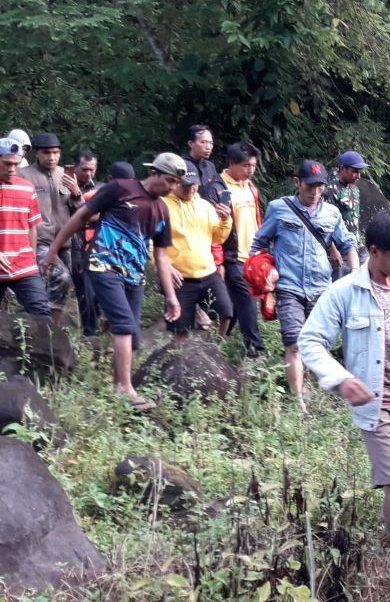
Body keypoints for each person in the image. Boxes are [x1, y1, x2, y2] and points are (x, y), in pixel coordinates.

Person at [299, 211, 390, 548]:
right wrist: (340, 379)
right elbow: (310, 340)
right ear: (374, 251)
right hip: (377, 404)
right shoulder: (345, 291)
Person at [43, 153, 184, 410]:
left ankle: (118, 385)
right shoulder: (121, 188)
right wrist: (54, 249)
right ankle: (125, 389)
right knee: (124, 325)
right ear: (154, 173)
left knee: (131, 332)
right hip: (103, 265)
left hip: (134, 274)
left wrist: (171, 297)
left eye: (176, 183)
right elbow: (81, 216)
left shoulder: (162, 209)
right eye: (169, 181)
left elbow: (161, 256)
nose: (173, 187)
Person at [251, 159, 358, 410]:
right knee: (294, 342)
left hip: (321, 288)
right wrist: (266, 269)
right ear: (297, 183)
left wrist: (355, 271)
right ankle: (299, 402)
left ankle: (311, 385)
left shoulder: (331, 213)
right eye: (310, 186)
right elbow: (259, 244)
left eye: (320, 186)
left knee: (318, 343)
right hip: (289, 287)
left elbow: (347, 243)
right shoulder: (279, 209)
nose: (315, 192)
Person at [162, 168, 234, 340]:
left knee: (226, 313)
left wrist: (225, 220)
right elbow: (151, 243)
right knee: (180, 327)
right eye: (186, 185)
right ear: (176, 183)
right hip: (180, 277)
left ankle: (213, 348)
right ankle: (182, 359)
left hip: (207, 272)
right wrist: (166, 268)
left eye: (194, 185)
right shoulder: (163, 205)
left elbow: (218, 237)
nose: (191, 189)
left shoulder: (204, 206)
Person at [216, 141, 265, 356]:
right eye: (246, 165)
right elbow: (213, 227)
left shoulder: (250, 186)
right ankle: (255, 349)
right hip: (232, 255)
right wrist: (217, 260)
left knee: (238, 304)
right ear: (232, 163)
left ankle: (219, 340)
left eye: (253, 165)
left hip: (252, 253)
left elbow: (256, 218)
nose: (250, 170)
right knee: (247, 300)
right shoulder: (219, 187)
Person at [19, 133, 74, 322]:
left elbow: (81, 210)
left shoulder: (65, 174)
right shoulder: (24, 176)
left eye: (56, 152)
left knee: (66, 285)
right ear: (36, 154)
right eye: (46, 153)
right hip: (40, 240)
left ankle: (51, 329)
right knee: (62, 277)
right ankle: (44, 326)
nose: (52, 157)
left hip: (66, 241)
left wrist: (76, 193)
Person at [0, 137, 52, 317]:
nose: (12, 169)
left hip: (23, 264)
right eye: (7, 164)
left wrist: (31, 255)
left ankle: (47, 346)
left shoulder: (28, 188)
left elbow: (32, 227)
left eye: (16, 164)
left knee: (42, 314)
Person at [66, 151, 102, 336]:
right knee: (84, 288)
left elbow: (100, 215)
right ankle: (89, 332)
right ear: (75, 168)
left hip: (98, 242)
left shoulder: (103, 188)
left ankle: (97, 326)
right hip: (74, 242)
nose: (88, 173)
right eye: (84, 169)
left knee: (98, 289)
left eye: (92, 169)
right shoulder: (63, 188)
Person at [325, 150, 368, 276]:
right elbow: (326, 224)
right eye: (354, 171)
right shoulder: (330, 191)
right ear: (342, 169)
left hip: (358, 248)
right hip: (340, 250)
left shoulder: (355, 190)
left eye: (360, 172)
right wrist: (332, 249)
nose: (358, 176)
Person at [183, 124, 220, 193]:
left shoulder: (210, 166)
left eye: (211, 143)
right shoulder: (181, 164)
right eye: (203, 142)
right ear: (191, 144)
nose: (208, 147)